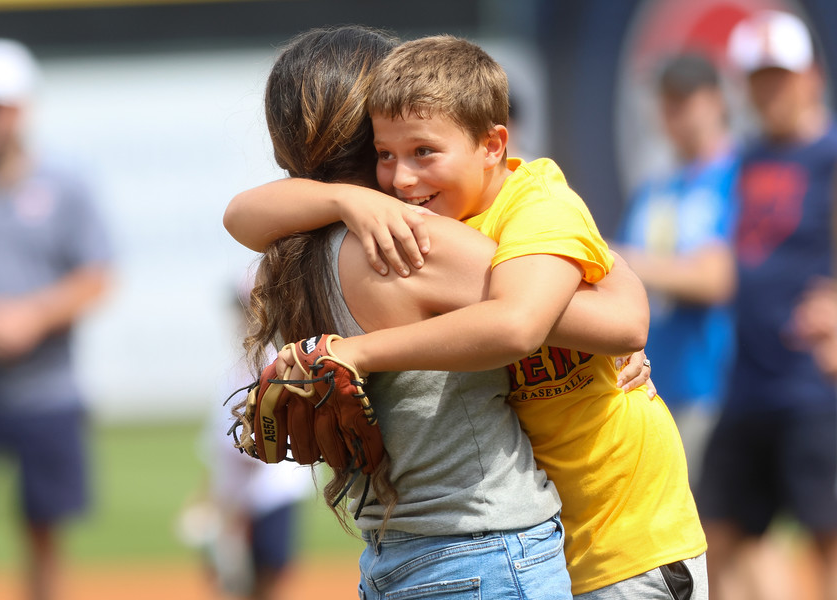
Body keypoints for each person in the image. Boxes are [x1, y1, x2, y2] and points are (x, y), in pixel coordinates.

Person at [227, 33, 706, 599]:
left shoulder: (291, 253)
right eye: (387, 150)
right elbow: (614, 319)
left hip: (395, 555)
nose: (402, 174)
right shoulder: (416, 239)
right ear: (367, 127)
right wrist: (611, 272)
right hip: (490, 548)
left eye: (421, 149)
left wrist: (342, 202)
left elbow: (238, 216)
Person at [0, 39, 112, 600]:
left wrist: (32, 316)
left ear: (24, 107)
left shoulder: (66, 186)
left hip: (45, 390)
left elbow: (96, 274)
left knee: (43, 534)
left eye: (2, 105)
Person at [698, 10, 837, 600]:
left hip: (814, 385)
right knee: (715, 536)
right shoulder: (747, 158)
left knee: (825, 539)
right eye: (758, 77)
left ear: (812, 76)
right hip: (747, 381)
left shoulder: (829, 154)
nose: (769, 89)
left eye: (780, 74)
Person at [615, 52, 738, 490]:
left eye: (686, 98)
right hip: (657, 382)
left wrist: (626, 258)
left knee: (719, 531)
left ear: (716, 100)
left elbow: (717, 280)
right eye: (668, 101)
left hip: (719, 382)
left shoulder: (739, 174)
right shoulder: (656, 187)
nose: (676, 113)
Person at [180, 283, 313, 600]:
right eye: (242, 308)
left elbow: (261, 449)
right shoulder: (233, 370)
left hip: (269, 495)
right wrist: (209, 498)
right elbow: (220, 451)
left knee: (264, 582)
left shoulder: (281, 364)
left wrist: (226, 509)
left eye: (252, 307)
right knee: (231, 583)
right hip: (236, 498)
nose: (246, 317)